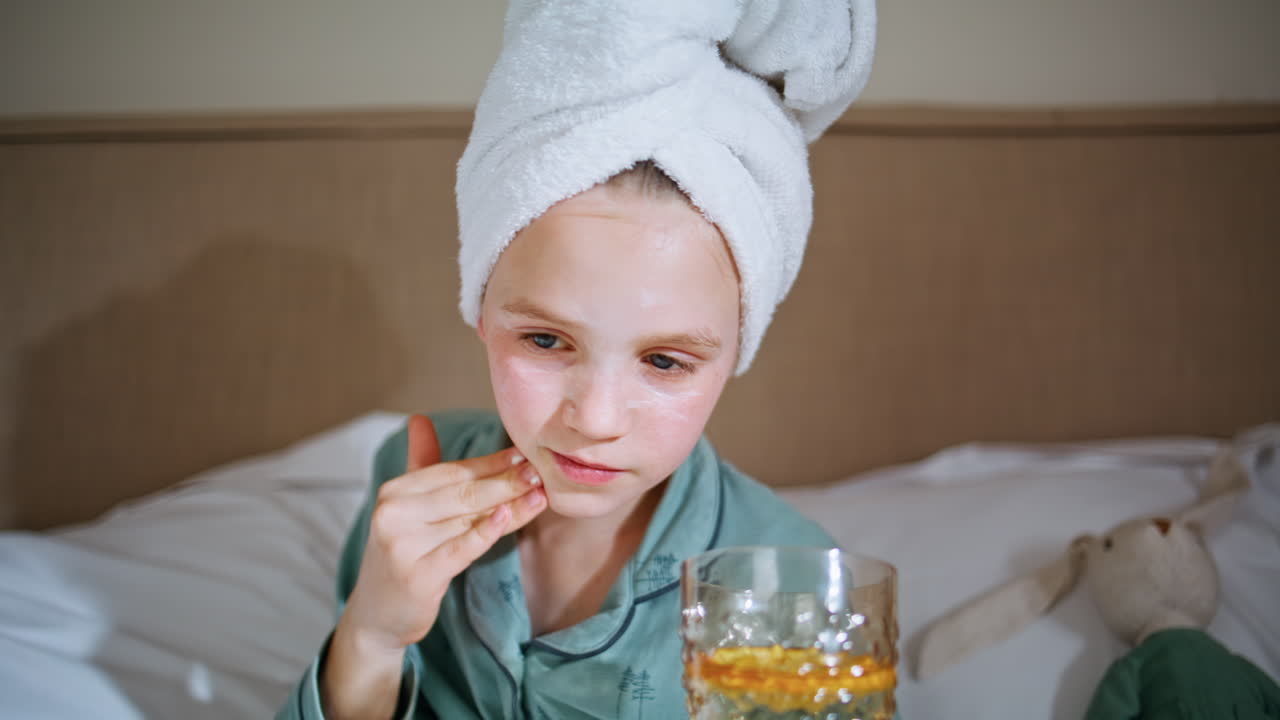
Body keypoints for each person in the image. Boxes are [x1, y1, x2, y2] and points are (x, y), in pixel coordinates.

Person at [279, 2, 876, 718]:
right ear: (480, 312)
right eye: (545, 340)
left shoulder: (799, 586)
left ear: (733, 358)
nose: (594, 419)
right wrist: (371, 636)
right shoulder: (410, 484)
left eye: (665, 362)